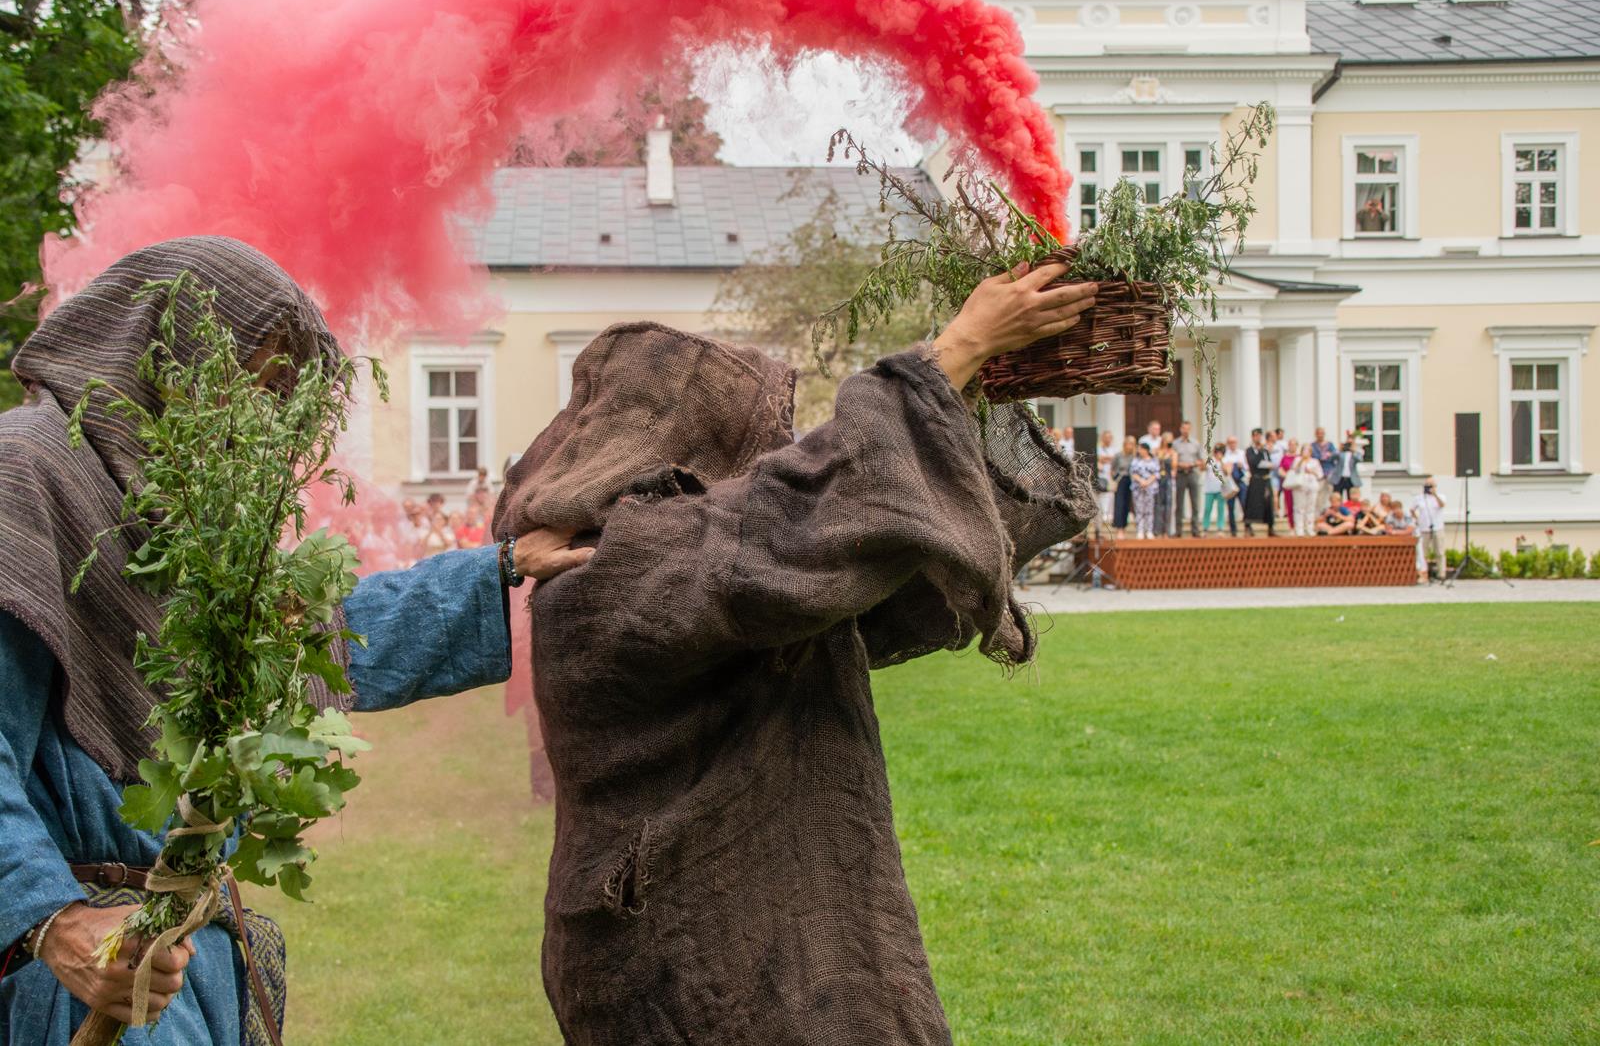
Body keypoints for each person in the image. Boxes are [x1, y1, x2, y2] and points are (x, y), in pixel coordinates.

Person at [0, 238, 593, 1046]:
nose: (262, 416)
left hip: (186, 962)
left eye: (279, 392)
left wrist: (502, 567)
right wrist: (54, 920)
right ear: (171, 356)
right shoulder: (25, 474)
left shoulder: (185, 520)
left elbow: (319, 636)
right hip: (84, 978)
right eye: (252, 379)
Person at [496, 265, 1099, 1043]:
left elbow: (868, 582)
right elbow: (788, 525)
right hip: (698, 974)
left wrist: (969, 399)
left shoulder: (673, 570)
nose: (761, 456)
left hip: (716, 954)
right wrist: (952, 353)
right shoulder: (610, 570)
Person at [1172, 420, 1204, 538]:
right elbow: (1172, 459)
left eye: (1187, 429)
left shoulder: (1196, 443)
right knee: (1179, 503)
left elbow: (1201, 460)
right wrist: (1180, 464)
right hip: (1180, 474)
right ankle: (1178, 530)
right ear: (1180, 429)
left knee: (1195, 503)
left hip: (1192, 473)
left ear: (1190, 430)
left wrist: (1193, 464)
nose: (1185, 431)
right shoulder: (1175, 444)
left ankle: (1195, 530)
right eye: (1183, 428)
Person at [1242, 428, 1276, 537]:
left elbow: (1269, 463)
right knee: (1252, 503)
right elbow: (1253, 462)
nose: (1258, 438)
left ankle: (1271, 527)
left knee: (1269, 503)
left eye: (1260, 436)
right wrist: (1260, 452)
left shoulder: (1265, 450)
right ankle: (1248, 526)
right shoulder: (1250, 450)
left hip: (1266, 479)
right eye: (1256, 436)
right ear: (1253, 437)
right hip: (1256, 480)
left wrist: (1265, 459)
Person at [1413, 476, 1446, 581]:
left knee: (1439, 552)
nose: (1428, 487)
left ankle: (1441, 574)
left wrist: (1434, 494)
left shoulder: (1440, 496)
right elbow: (1412, 509)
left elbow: (1442, 505)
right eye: (1427, 485)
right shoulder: (1419, 498)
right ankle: (1424, 574)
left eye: (1431, 485)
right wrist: (1417, 519)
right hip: (1424, 528)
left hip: (1438, 527)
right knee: (1423, 553)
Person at [1130, 441, 1160, 539]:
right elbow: (1133, 473)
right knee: (1139, 509)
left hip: (1150, 488)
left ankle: (1149, 530)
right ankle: (1140, 530)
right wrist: (1141, 481)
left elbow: (1156, 473)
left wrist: (1147, 482)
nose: (1139, 451)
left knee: (1149, 509)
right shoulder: (1136, 460)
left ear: (1146, 450)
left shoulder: (1153, 460)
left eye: (1141, 449)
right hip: (1138, 488)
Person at [1111, 435, 1137, 540]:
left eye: (1133, 444)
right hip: (1121, 480)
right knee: (1120, 504)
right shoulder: (1118, 456)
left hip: (1133, 481)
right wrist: (1114, 480)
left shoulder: (1135, 456)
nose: (1130, 446)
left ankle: (1127, 527)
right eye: (1129, 443)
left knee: (1128, 505)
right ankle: (1119, 528)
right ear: (1125, 444)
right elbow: (1112, 469)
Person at [1221, 435, 1247, 536]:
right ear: (1228, 444)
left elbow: (1247, 467)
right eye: (1231, 442)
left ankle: (1247, 527)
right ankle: (1233, 530)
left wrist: (1241, 465)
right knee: (1231, 507)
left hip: (1240, 481)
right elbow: (1223, 469)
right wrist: (1228, 467)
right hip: (1230, 482)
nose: (1233, 444)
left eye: (1234, 442)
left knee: (1244, 504)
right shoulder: (1225, 454)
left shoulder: (1241, 453)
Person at [1309, 427, 1338, 512]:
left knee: (1330, 492)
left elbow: (1335, 455)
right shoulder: (1313, 446)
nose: (1320, 435)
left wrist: (1330, 455)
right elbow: (1313, 457)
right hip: (1318, 472)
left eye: (1322, 433)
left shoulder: (1330, 445)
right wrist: (1323, 456)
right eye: (1318, 433)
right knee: (1318, 493)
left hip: (1329, 471)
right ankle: (1319, 511)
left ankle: (1331, 510)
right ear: (1316, 434)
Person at [1201, 444, 1228, 536]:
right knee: (1207, 508)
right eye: (1216, 451)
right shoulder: (1210, 460)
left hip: (1221, 488)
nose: (1218, 453)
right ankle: (1205, 528)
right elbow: (1202, 468)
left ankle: (1220, 528)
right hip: (1209, 488)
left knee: (1221, 509)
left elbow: (1227, 472)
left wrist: (1221, 460)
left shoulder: (1225, 460)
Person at [1153, 432, 1175, 537]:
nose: (1169, 442)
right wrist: (1161, 455)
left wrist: (1169, 454)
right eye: (1167, 440)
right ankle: (1157, 530)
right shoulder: (1157, 451)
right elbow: (1153, 463)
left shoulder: (1173, 452)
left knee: (1168, 505)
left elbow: (1174, 466)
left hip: (1168, 479)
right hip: (1158, 479)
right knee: (1158, 504)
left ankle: (1166, 531)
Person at [1095, 430, 1117, 525]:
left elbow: (1115, 459)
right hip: (1101, 475)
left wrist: (1105, 458)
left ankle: (1109, 515)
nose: (1108, 439)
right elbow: (1098, 458)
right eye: (1106, 437)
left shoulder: (1114, 449)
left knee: (1110, 495)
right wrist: (1108, 458)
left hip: (1110, 475)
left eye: (1109, 437)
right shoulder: (1098, 448)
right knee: (1101, 495)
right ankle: (1102, 515)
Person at [1278, 438, 1301, 528]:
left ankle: (1299, 525)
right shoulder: (1284, 457)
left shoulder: (1300, 457)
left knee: (1299, 505)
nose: (1292, 446)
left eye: (1294, 444)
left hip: (1298, 485)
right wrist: (1288, 476)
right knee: (1290, 505)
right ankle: (1292, 525)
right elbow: (1280, 470)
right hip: (1289, 484)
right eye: (1290, 444)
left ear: (1297, 446)